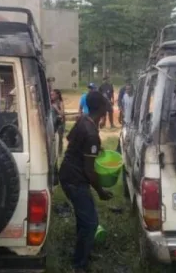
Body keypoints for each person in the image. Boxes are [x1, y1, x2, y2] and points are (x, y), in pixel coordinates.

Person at [59, 91, 113, 273]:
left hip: (68, 174)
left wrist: (93, 149)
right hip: (74, 180)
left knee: (84, 219)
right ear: (102, 108)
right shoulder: (91, 134)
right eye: (107, 104)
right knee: (91, 223)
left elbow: (70, 139)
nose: (109, 106)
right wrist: (101, 191)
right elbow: (90, 172)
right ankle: (78, 265)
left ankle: (83, 253)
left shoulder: (84, 120)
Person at [51, 89, 65, 155]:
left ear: (57, 95)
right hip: (52, 123)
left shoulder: (60, 102)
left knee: (59, 139)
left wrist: (56, 108)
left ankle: (59, 153)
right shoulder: (50, 102)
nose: (51, 96)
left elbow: (62, 114)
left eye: (53, 94)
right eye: (51, 94)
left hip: (59, 124)